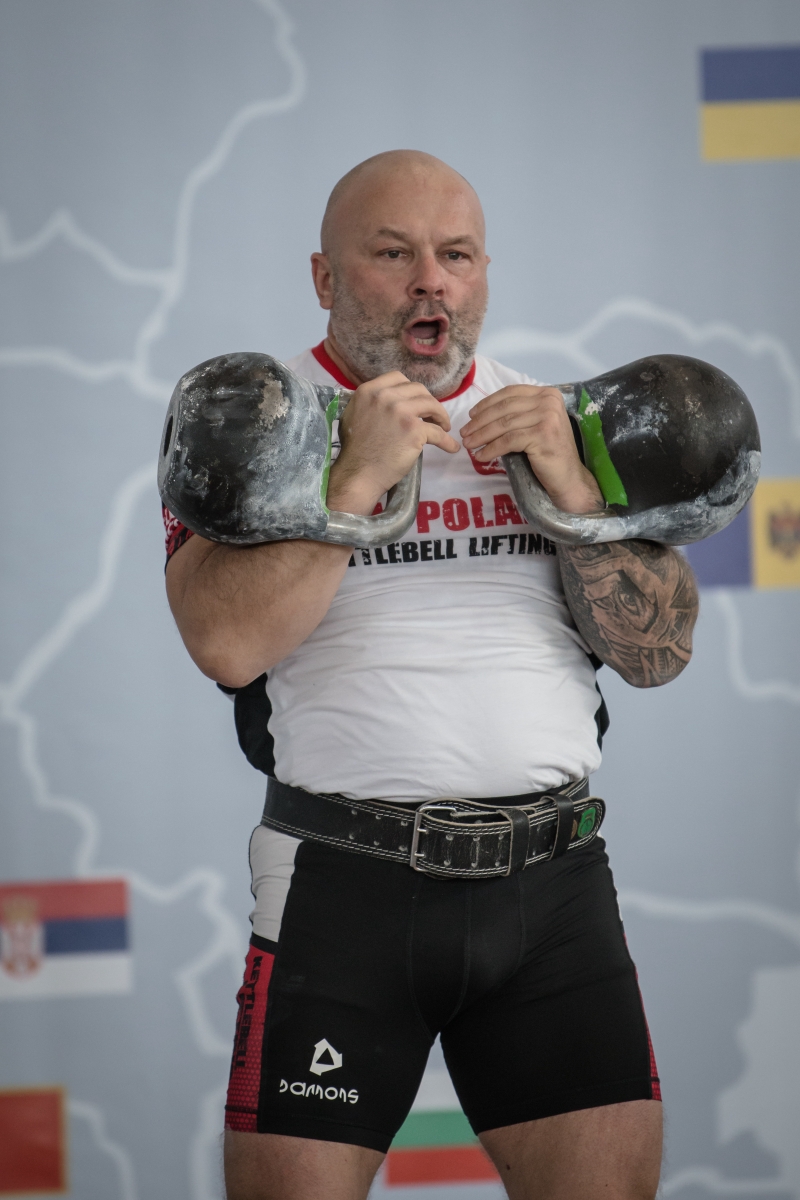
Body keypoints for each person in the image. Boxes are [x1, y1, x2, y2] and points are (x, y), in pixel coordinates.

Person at [164, 150, 698, 1200]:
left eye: (455, 256)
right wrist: (353, 482)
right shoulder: (254, 424)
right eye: (392, 254)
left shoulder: (557, 425)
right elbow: (222, 642)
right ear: (323, 277)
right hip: (341, 891)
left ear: (484, 273)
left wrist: (577, 500)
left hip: (552, 890)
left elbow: (659, 654)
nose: (430, 282)